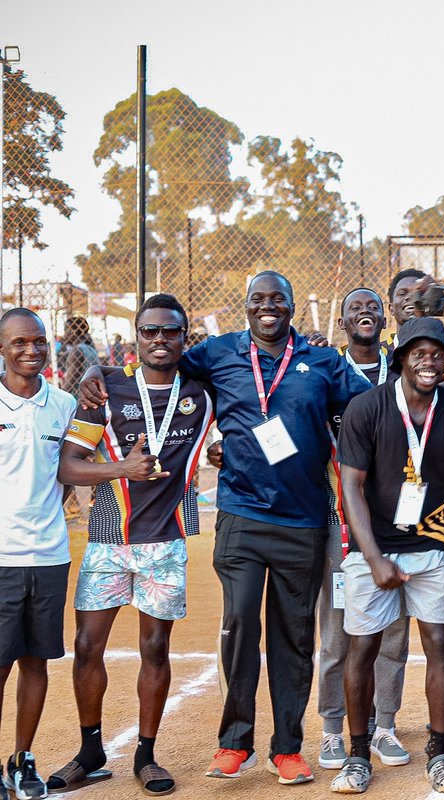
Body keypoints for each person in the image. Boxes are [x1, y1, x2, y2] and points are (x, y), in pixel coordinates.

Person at [80, 271, 374, 784]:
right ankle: (234, 742)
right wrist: (101, 374)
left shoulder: (322, 362)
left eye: (277, 299)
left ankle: (287, 747)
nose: (268, 307)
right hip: (240, 515)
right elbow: (159, 361)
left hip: (303, 520)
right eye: (258, 299)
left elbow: (373, 401)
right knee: (238, 626)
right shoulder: (216, 353)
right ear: (246, 307)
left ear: (290, 307)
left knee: (294, 635)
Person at [50, 294, 214, 796]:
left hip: (164, 541)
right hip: (106, 539)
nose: (159, 339)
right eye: (150, 331)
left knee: (155, 648)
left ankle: (145, 753)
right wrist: (120, 468)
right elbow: (68, 463)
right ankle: (90, 749)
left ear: (184, 338)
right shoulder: (106, 392)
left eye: (170, 331)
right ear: (137, 337)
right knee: (85, 647)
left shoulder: (203, 394)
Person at [331, 317, 444, 794]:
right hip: (373, 547)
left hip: (434, 547)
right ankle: (358, 755)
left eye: (437, 354)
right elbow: (351, 487)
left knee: (440, 645)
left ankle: (440, 753)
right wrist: (374, 557)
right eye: (418, 353)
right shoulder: (367, 407)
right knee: (363, 647)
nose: (429, 361)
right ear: (400, 358)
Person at [316, 288, 412, 771]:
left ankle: (385, 724)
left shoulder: (404, 366)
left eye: (373, 307)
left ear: (385, 317)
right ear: (343, 320)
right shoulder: (324, 369)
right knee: (338, 628)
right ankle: (334, 728)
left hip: (397, 522)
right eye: (355, 308)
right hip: (341, 520)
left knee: (394, 626)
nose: (365, 314)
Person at [0, 309, 77, 800]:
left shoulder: (64, 403)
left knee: (35, 662)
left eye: (39, 342)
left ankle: (22, 758)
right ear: (3, 349)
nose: (32, 351)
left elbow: (68, 477)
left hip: (49, 555)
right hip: (1, 559)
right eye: (19, 343)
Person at [61, 317, 100, 394]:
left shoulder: (76, 351)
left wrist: (58, 397)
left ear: (73, 331)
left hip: (78, 398)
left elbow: (70, 383)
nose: (64, 334)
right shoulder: (90, 349)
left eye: (65, 330)